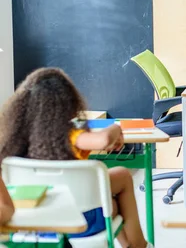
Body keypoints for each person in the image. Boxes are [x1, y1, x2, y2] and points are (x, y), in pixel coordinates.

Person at [0, 68, 152, 248]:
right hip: (81, 221)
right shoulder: (71, 135)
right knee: (122, 177)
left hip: (34, 223)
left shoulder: (14, 141)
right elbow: (103, 140)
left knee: (110, 200)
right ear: (68, 103)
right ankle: (138, 245)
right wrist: (116, 129)